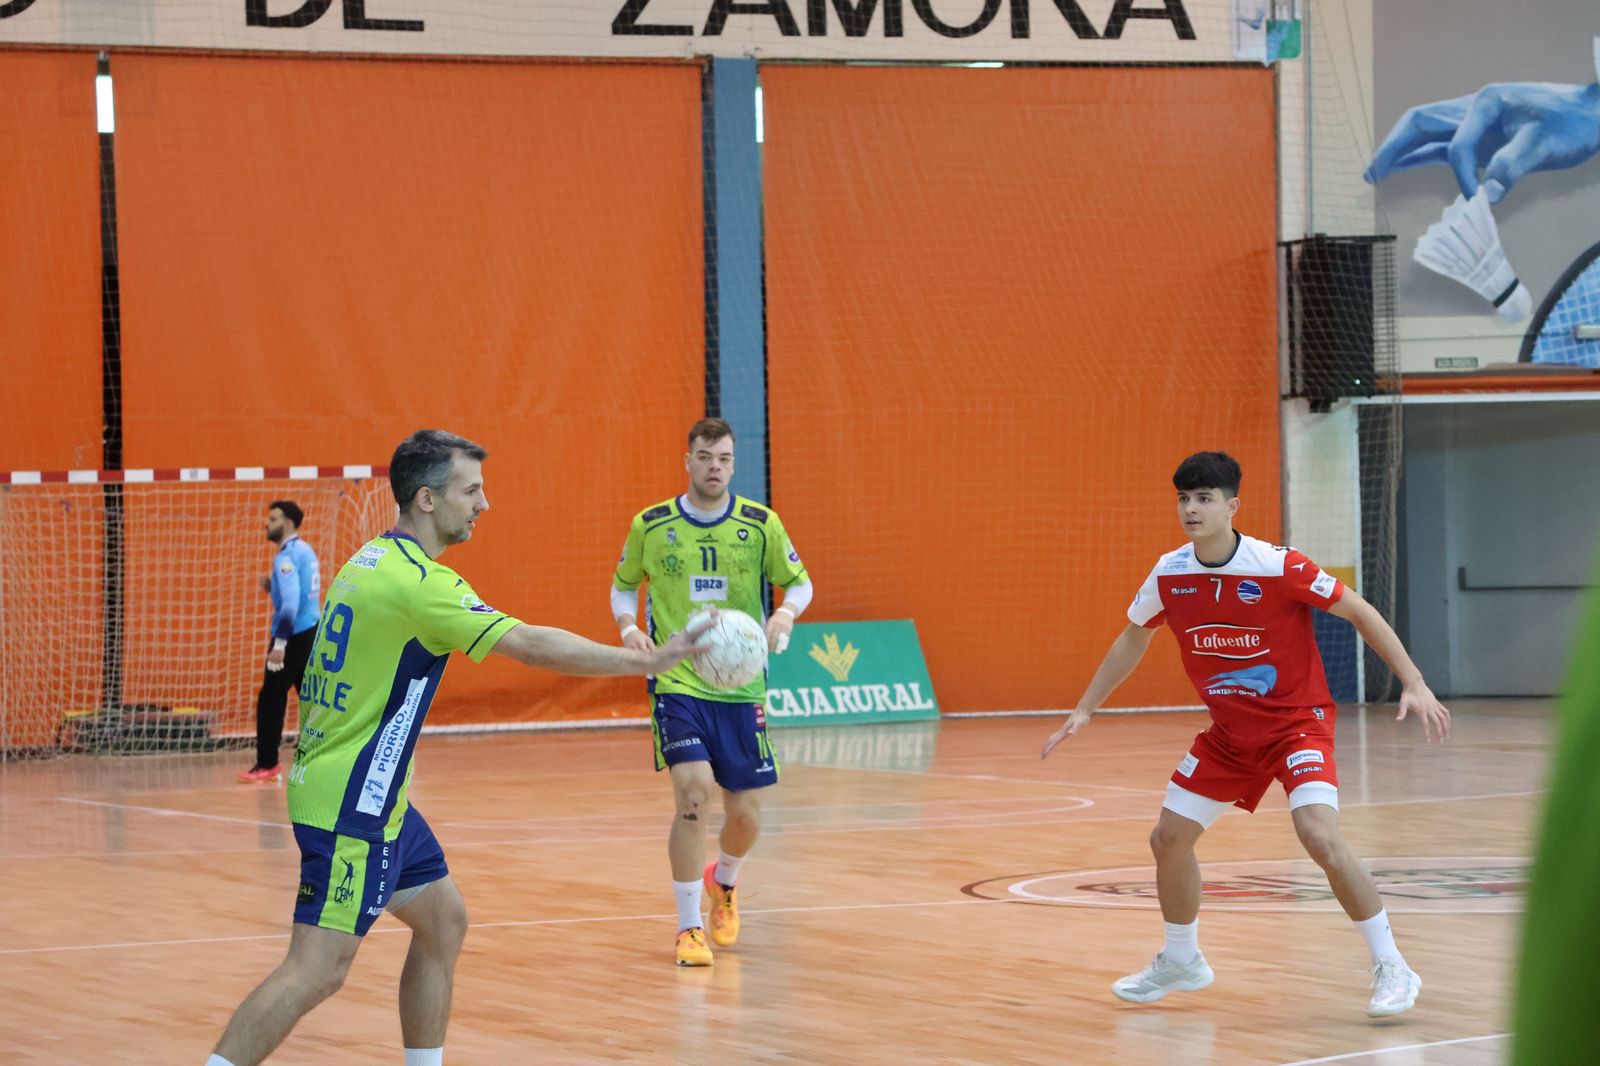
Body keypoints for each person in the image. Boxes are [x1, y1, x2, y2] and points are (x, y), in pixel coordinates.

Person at [205, 430, 712, 1066]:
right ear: (426, 499)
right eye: (470, 490)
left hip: (374, 794)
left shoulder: (370, 559)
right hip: (352, 805)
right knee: (318, 969)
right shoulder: (423, 586)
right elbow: (528, 643)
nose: (484, 504)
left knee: (443, 920)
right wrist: (651, 659)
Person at [1040, 451, 1451, 1018]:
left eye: (1204, 498)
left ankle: (1393, 965)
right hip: (1231, 734)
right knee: (1168, 839)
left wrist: (1414, 681)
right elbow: (1134, 635)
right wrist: (1086, 708)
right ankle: (1182, 960)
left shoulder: (1278, 566)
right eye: (1184, 498)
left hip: (1296, 725)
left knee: (1319, 837)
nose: (1191, 508)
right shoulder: (1171, 572)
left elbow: (1358, 610)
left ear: (1232, 506)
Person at [611, 417, 813, 967]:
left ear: (733, 462)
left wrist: (786, 615)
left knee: (745, 816)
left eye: (723, 458)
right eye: (705, 457)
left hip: (741, 684)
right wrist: (631, 631)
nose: (714, 467)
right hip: (678, 680)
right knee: (693, 794)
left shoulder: (759, 524)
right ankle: (687, 929)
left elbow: (799, 581)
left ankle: (722, 880)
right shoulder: (651, 525)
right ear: (688, 460)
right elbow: (623, 586)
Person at [238, 501, 321, 784]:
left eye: (272, 519)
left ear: (286, 523)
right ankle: (317, 760)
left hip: (293, 637)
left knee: (271, 699)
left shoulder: (285, 558)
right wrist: (272, 587)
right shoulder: (306, 550)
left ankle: (267, 764)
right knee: (309, 698)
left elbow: (290, 605)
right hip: (312, 632)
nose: (266, 523)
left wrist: (280, 645)